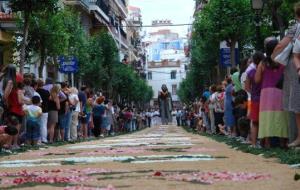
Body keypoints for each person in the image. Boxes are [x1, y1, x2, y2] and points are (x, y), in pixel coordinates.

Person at [272, 3, 300, 147]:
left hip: (295, 67)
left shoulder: (296, 28)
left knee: (296, 102)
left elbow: (281, 45)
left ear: (296, 15)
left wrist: (273, 56)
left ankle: (297, 138)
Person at [256, 37, 289, 148]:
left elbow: (257, 80)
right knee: (281, 115)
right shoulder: (283, 61)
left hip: (266, 92)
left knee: (266, 116)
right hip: (280, 90)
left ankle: (267, 142)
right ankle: (283, 142)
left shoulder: (263, 63)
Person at [245, 52, 265, 147]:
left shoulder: (250, 72)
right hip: (266, 97)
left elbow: (247, 87)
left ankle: (253, 143)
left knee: (255, 122)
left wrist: (253, 93)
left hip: (255, 98)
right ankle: (264, 143)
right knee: (264, 121)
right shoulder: (265, 70)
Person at [36, 79, 50, 144]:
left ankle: (38, 139)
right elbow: (49, 99)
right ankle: (44, 139)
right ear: (43, 84)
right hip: (45, 109)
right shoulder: (46, 92)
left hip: (36, 109)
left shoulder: (36, 91)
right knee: (44, 125)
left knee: (38, 124)